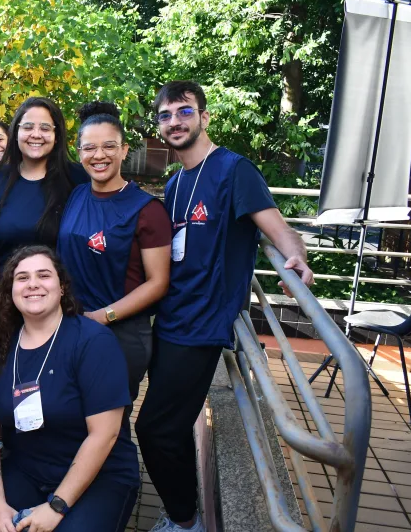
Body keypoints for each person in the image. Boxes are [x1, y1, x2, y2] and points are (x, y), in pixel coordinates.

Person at [136, 81, 314, 532]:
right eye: (165, 115)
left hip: (202, 325)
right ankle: (183, 509)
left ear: (204, 117)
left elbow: (279, 229)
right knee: (171, 426)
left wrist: (296, 258)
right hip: (169, 317)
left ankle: (185, 520)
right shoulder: (175, 182)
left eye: (184, 111)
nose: (174, 121)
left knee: (154, 430)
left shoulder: (235, 170)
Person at [0, 246, 140, 532]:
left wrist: (57, 506)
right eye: (22, 278)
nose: (33, 284)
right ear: (10, 291)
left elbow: (105, 434)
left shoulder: (94, 342)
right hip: (27, 469)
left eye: (43, 275)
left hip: (101, 475)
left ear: (62, 287)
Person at [57, 101, 171, 420]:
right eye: (90, 148)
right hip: (71, 325)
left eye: (109, 146)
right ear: (79, 152)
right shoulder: (77, 195)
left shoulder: (147, 210)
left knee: (109, 426)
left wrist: (102, 317)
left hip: (119, 334)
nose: (99, 155)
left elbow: (158, 282)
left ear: (124, 150)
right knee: (69, 419)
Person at [0, 97, 90, 270]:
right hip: (6, 284)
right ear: (16, 133)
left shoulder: (79, 179)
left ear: (56, 136)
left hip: (66, 285)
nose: (36, 134)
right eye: (28, 127)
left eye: (45, 128)